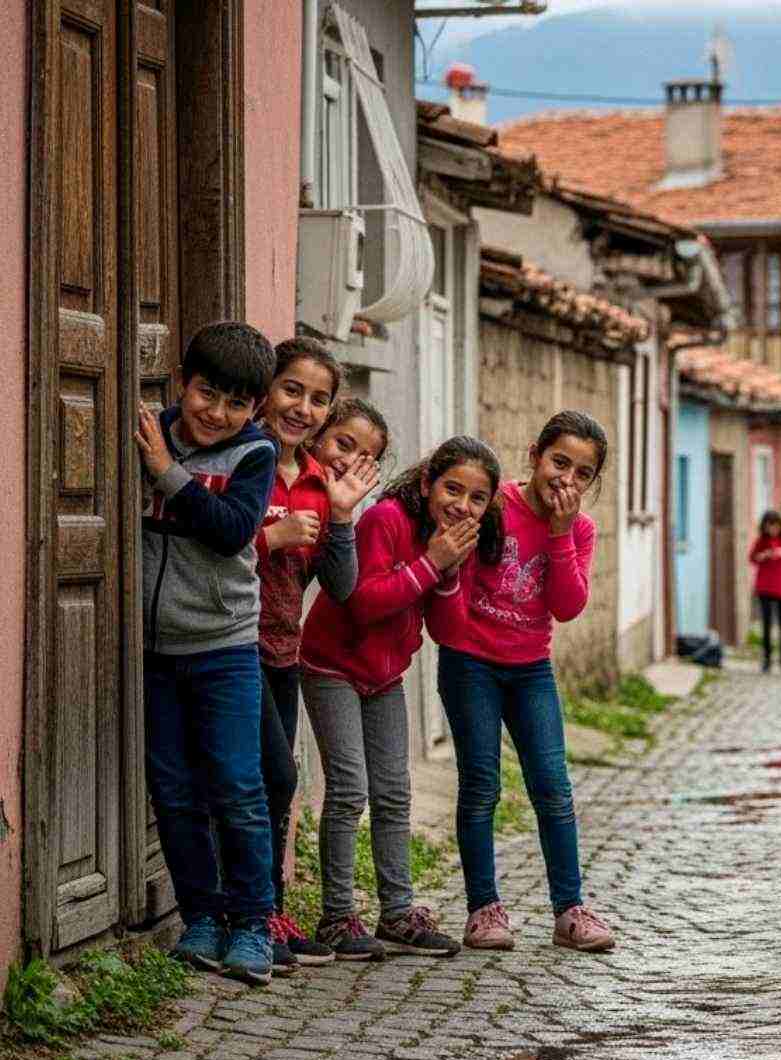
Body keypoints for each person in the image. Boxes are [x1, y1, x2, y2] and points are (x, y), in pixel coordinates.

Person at [300, 438, 498, 962]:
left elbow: (450, 631)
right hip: (332, 665)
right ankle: (337, 916)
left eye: (477, 499)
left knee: (394, 793)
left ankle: (397, 913)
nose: (462, 505)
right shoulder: (385, 520)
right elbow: (364, 603)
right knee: (348, 790)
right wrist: (432, 562)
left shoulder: (455, 542)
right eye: (453, 488)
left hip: (386, 676)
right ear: (428, 481)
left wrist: (451, 571)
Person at [429, 411, 616, 953]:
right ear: (534, 455)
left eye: (583, 474)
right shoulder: (495, 508)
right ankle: (483, 909)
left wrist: (559, 535)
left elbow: (568, 606)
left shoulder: (579, 529)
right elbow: (455, 585)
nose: (567, 480)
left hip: (531, 667)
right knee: (481, 783)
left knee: (553, 787)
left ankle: (569, 909)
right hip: (471, 664)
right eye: (560, 463)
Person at [135, 321, 281, 986]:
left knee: (237, 787)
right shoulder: (150, 429)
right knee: (172, 789)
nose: (216, 413)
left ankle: (253, 924)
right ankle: (201, 918)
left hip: (224, 647)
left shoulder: (255, 455)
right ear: (183, 381)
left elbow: (230, 533)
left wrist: (168, 477)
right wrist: (162, 463)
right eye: (206, 394)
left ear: (255, 408)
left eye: (235, 403)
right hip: (155, 650)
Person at [252, 339, 387, 972]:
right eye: (293, 390)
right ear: (267, 388)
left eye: (318, 398)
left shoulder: (313, 483)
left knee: (279, 785)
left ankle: (270, 909)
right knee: (266, 779)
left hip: (282, 651)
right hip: (230, 648)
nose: (303, 407)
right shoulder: (243, 460)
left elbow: (339, 586)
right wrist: (268, 536)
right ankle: (249, 912)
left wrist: (338, 516)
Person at [748, 509, 781, 674]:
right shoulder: (761, 540)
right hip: (765, 586)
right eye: (769, 526)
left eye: (775, 526)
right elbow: (752, 558)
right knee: (766, 625)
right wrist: (764, 555)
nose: (772, 530)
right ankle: (767, 660)